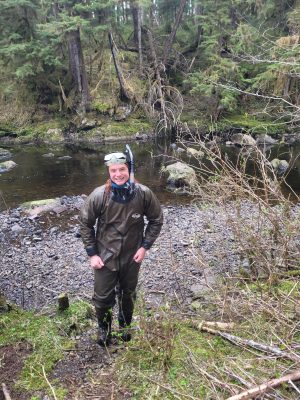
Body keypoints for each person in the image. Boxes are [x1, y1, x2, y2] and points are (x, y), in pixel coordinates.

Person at [79, 148, 163, 346]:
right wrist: (92, 254)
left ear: (129, 169)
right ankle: (104, 330)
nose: (118, 174)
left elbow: (156, 220)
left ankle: (125, 328)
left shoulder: (143, 194)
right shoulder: (99, 195)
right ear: (109, 172)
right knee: (102, 298)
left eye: (122, 169)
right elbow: (85, 224)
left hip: (132, 256)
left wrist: (144, 247)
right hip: (105, 256)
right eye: (113, 170)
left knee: (128, 294)